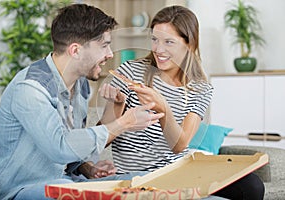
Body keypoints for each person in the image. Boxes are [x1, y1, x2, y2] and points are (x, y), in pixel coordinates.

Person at [0, 4, 165, 200]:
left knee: (146, 181)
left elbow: (72, 146)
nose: (110, 54)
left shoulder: (80, 85)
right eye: (104, 45)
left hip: (65, 181)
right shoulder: (30, 88)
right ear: (75, 50)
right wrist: (125, 123)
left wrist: (86, 168)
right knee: (72, 189)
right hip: (16, 191)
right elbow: (60, 147)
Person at [100, 5, 265, 200]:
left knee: (252, 186)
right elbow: (101, 140)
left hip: (179, 173)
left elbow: (180, 145)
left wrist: (163, 107)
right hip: (140, 177)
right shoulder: (129, 71)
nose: (158, 50)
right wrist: (117, 106)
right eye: (154, 40)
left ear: (190, 45)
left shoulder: (200, 88)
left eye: (169, 42)